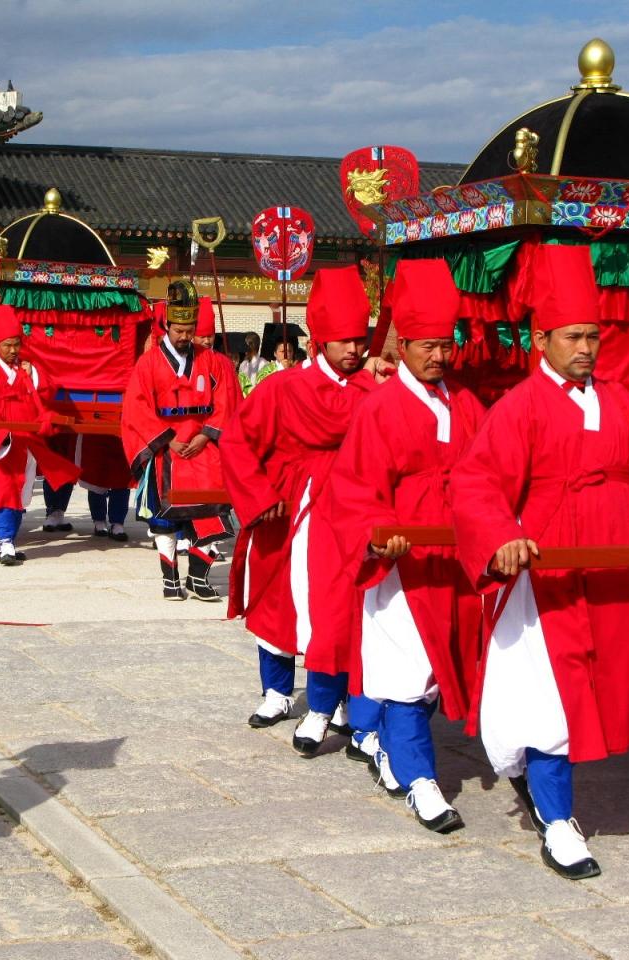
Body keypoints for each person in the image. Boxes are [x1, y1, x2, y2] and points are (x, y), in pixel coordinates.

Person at [450, 244, 629, 880]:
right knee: (550, 696)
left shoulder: (620, 401)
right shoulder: (520, 406)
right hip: (550, 569)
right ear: (542, 339)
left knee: (608, 680)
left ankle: (552, 792)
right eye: (573, 337)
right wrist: (501, 535)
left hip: (617, 561)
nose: (586, 348)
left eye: (593, 336)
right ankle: (558, 818)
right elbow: (477, 483)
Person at [324, 260, 485, 831]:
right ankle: (421, 782)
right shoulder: (380, 407)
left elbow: (492, 472)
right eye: (427, 346)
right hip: (402, 562)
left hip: (458, 558)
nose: (438, 356)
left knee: (444, 667)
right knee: (407, 673)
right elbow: (354, 485)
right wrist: (379, 531)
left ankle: (391, 748)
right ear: (405, 345)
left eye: (446, 345)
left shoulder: (467, 405)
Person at [221, 265, 385, 753]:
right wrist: (260, 497)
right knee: (277, 600)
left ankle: (335, 700)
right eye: (344, 340)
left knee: (340, 608)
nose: (354, 348)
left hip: (348, 512)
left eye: (360, 339)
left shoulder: (375, 392)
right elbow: (237, 441)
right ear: (320, 341)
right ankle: (276, 691)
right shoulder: (282, 387)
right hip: (290, 507)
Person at [122, 280, 234, 600]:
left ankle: (197, 577)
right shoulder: (148, 363)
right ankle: (170, 579)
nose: (185, 336)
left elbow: (226, 401)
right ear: (167, 327)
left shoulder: (213, 361)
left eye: (190, 330)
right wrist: (167, 440)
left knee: (215, 513)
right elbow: (136, 407)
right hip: (165, 450)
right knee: (164, 521)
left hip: (202, 447)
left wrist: (205, 434)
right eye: (179, 331)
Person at [0, 305, 81, 565]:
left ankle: (10, 540)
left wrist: (34, 377)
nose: (13, 350)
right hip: (4, 444)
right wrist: (3, 436)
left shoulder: (23, 369)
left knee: (20, 493)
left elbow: (42, 397)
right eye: (7, 345)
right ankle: (5, 542)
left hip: (27, 442)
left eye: (16, 344)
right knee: (4, 492)